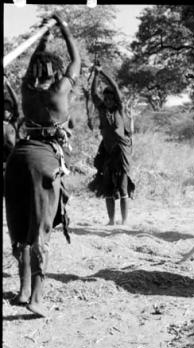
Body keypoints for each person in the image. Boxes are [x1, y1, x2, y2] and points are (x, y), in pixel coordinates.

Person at [4, 13, 81, 317]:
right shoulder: (60, 91)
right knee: (39, 233)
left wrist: (44, 36)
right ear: (55, 71)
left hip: (17, 158)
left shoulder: (25, 89)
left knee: (21, 229)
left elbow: (36, 58)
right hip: (43, 160)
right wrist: (62, 25)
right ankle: (36, 298)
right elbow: (75, 59)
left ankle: (22, 291)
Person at [89, 65, 135, 226]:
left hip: (121, 151)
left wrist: (102, 72)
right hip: (107, 151)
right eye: (106, 98)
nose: (108, 101)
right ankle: (110, 220)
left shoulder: (120, 110)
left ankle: (124, 221)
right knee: (107, 188)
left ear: (115, 99)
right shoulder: (102, 109)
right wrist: (95, 76)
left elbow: (115, 87)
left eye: (111, 98)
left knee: (123, 188)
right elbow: (93, 94)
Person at [3, 76, 20, 171]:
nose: (6, 111)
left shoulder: (13, 123)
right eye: (4, 109)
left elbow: (16, 102)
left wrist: (8, 85)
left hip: (12, 161)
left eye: (8, 109)